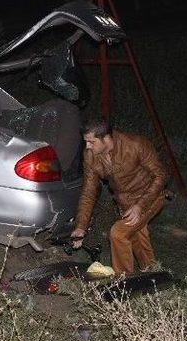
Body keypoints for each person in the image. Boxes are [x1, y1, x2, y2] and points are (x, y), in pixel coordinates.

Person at [70, 118, 168, 275]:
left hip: (150, 197)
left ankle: (122, 282)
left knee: (118, 233)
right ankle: (152, 272)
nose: (87, 146)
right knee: (136, 233)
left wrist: (140, 206)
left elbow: (161, 176)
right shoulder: (90, 155)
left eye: (91, 142)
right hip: (125, 203)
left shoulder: (135, 145)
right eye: (85, 142)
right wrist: (81, 226)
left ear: (106, 138)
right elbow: (88, 191)